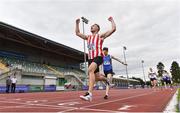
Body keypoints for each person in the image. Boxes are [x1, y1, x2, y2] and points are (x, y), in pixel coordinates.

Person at [76, 16, 116, 101]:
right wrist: (77, 23)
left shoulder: (100, 36)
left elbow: (113, 29)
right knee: (97, 77)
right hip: (91, 59)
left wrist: (112, 20)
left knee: (90, 70)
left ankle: (89, 94)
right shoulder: (88, 37)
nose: (91, 26)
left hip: (98, 57)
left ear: (97, 28)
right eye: (91, 26)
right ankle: (108, 80)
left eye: (93, 26)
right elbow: (77, 33)